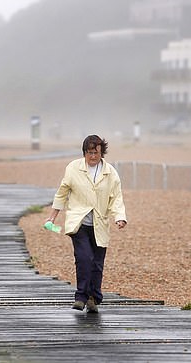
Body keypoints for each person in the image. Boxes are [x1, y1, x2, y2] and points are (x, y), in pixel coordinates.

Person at [45, 134, 127, 313]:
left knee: (97, 263)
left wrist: (119, 217)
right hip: (78, 222)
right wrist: (52, 217)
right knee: (84, 259)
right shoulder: (73, 168)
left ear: (101, 153)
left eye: (96, 152)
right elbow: (62, 193)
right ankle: (81, 297)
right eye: (89, 152)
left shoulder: (110, 173)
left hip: (100, 224)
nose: (92, 156)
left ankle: (93, 297)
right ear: (84, 153)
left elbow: (116, 198)